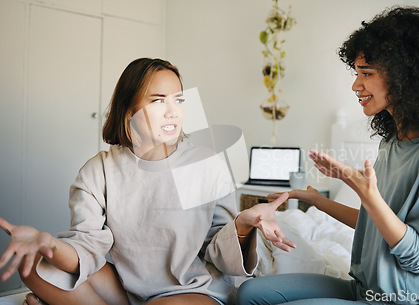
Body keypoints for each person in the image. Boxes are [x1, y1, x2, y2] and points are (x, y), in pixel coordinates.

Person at [237, 6, 419, 305]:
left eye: (366, 74)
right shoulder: (394, 141)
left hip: (404, 299)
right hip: (366, 289)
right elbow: (375, 225)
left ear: (406, 77)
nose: (356, 85)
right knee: (249, 293)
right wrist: (315, 199)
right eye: (357, 73)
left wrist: (368, 195)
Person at [0, 58, 295, 305]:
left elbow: (222, 257)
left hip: (190, 289)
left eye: (178, 99)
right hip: (125, 288)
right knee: (35, 269)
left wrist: (243, 225)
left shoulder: (206, 165)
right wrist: (48, 244)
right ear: (129, 111)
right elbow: (86, 248)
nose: (173, 110)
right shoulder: (97, 170)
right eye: (158, 101)